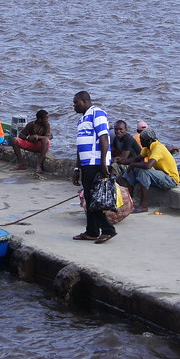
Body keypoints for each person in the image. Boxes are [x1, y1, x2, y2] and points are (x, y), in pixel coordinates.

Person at [72, 91, 116, 244]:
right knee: (88, 197)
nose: (74, 106)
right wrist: (77, 169)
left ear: (84, 101)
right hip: (85, 164)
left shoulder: (97, 113)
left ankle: (108, 229)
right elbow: (79, 146)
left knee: (93, 199)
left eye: (76, 103)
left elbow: (104, 137)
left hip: (96, 162)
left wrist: (104, 162)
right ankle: (91, 231)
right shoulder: (81, 120)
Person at [122, 128, 180, 213]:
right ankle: (129, 200)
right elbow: (136, 158)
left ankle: (144, 206)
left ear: (148, 141)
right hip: (161, 176)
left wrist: (133, 164)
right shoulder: (148, 147)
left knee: (143, 171)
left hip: (170, 179)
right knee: (134, 169)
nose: (140, 142)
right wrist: (122, 161)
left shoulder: (158, 148)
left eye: (142, 140)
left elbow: (148, 165)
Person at [10, 109, 52, 173]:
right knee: (14, 140)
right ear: (40, 119)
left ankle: (38, 165)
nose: (47, 120)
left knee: (46, 140)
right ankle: (21, 164)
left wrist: (37, 137)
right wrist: (28, 137)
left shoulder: (47, 125)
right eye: (46, 118)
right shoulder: (31, 124)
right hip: (31, 145)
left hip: (41, 146)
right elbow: (21, 135)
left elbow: (48, 137)